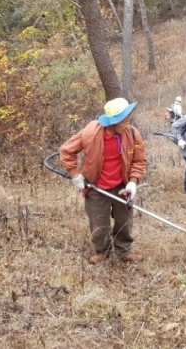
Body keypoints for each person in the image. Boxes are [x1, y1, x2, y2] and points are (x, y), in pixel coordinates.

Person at [60, 97, 147, 264]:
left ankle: (124, 251)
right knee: (99, 224)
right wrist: (76, 175)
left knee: (124, 221)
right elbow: (66, 150)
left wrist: (133, 182)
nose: (128, 122)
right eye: (125, 119)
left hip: (122, 186)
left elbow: (139, 160)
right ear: (114, 121)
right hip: (96, 188)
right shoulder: (91, 132)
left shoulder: (132, 133)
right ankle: (102, 252)